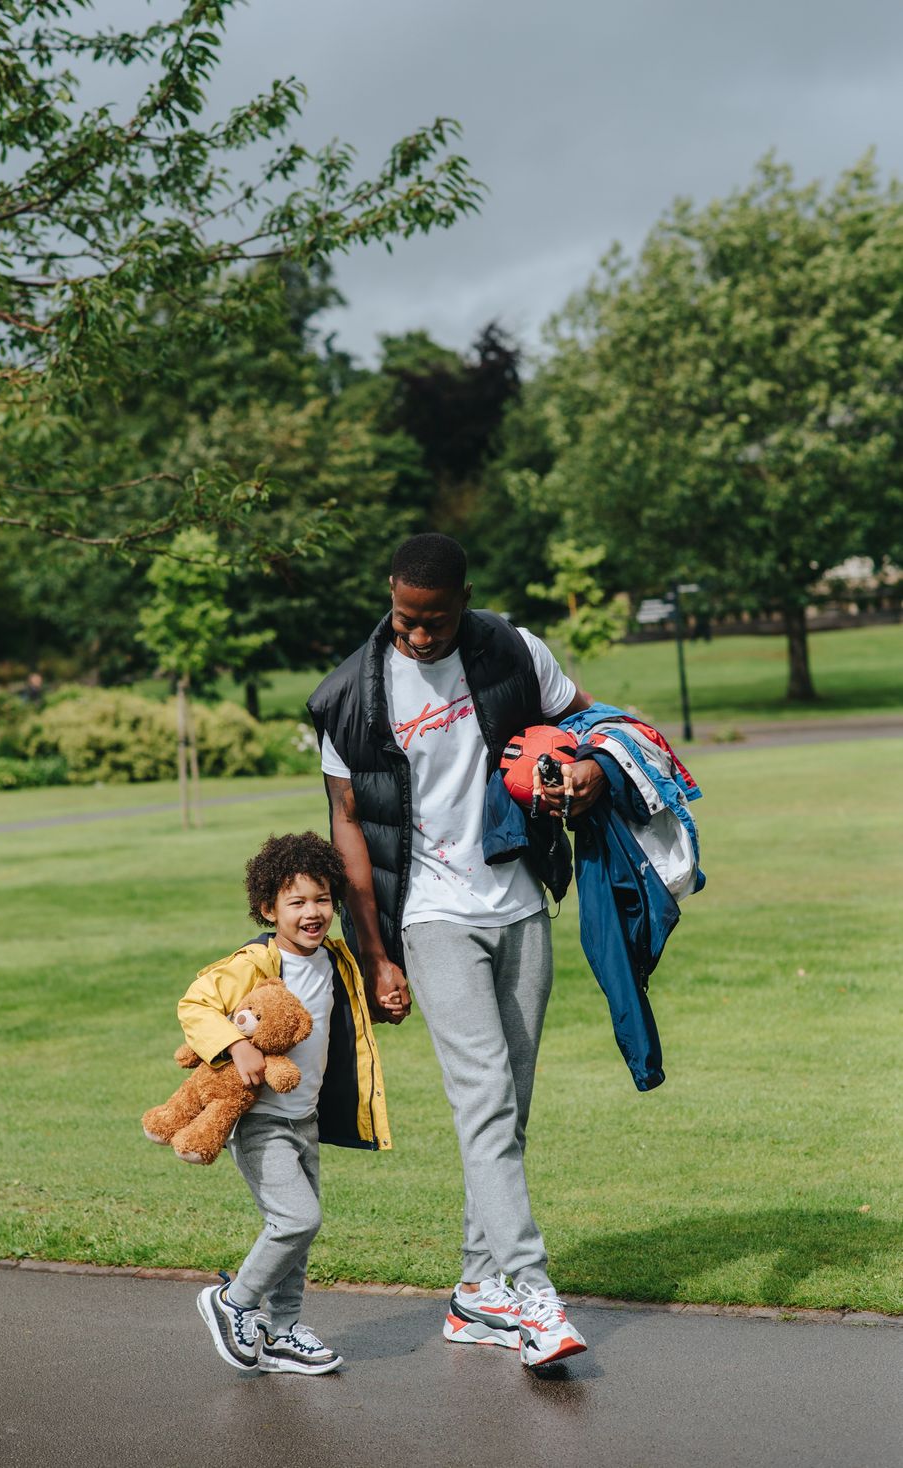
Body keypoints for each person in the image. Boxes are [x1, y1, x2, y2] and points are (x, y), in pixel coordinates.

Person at [308, 532, 605, 1369]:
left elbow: (588, 717)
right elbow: (347, 823)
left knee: (509, 1107)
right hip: (431, 914)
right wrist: (376, 952)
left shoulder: (514, 651)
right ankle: (534, 1295)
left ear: (463, 600)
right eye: (405, 617)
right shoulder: (349, 697)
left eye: (434, 620)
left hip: (520, 902)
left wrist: (590, 764)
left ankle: (477, 1291)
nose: (418, 634)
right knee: (483, 1101)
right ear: (390, 595)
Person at [180, 831, 390, 1377]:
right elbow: (195, 1005)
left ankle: (283, 1330)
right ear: (268, 908)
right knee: (298, 1219)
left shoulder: (334, 960)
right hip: (259, 1120)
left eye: (322, 899)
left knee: (298, 1230)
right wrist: (237, 1045)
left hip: (305, 1119)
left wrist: (385, 998)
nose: (312, 913)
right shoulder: (254, 963)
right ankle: (234, 1302)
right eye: (296, 902)